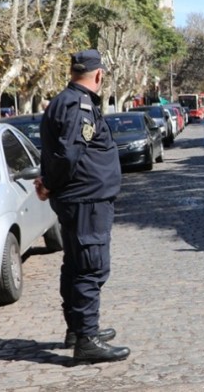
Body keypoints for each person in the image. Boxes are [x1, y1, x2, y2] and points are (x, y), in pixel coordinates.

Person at [34, 49, 130, 365]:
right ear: (98, 74)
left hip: (81, 199)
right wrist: (49, 183)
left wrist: (49, 182)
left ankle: (79, 330)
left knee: (76, 265)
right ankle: (86, 340)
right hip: (86, 201)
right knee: (90, 267)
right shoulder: (79, 105)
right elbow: (68, 155)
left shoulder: (65, 100)